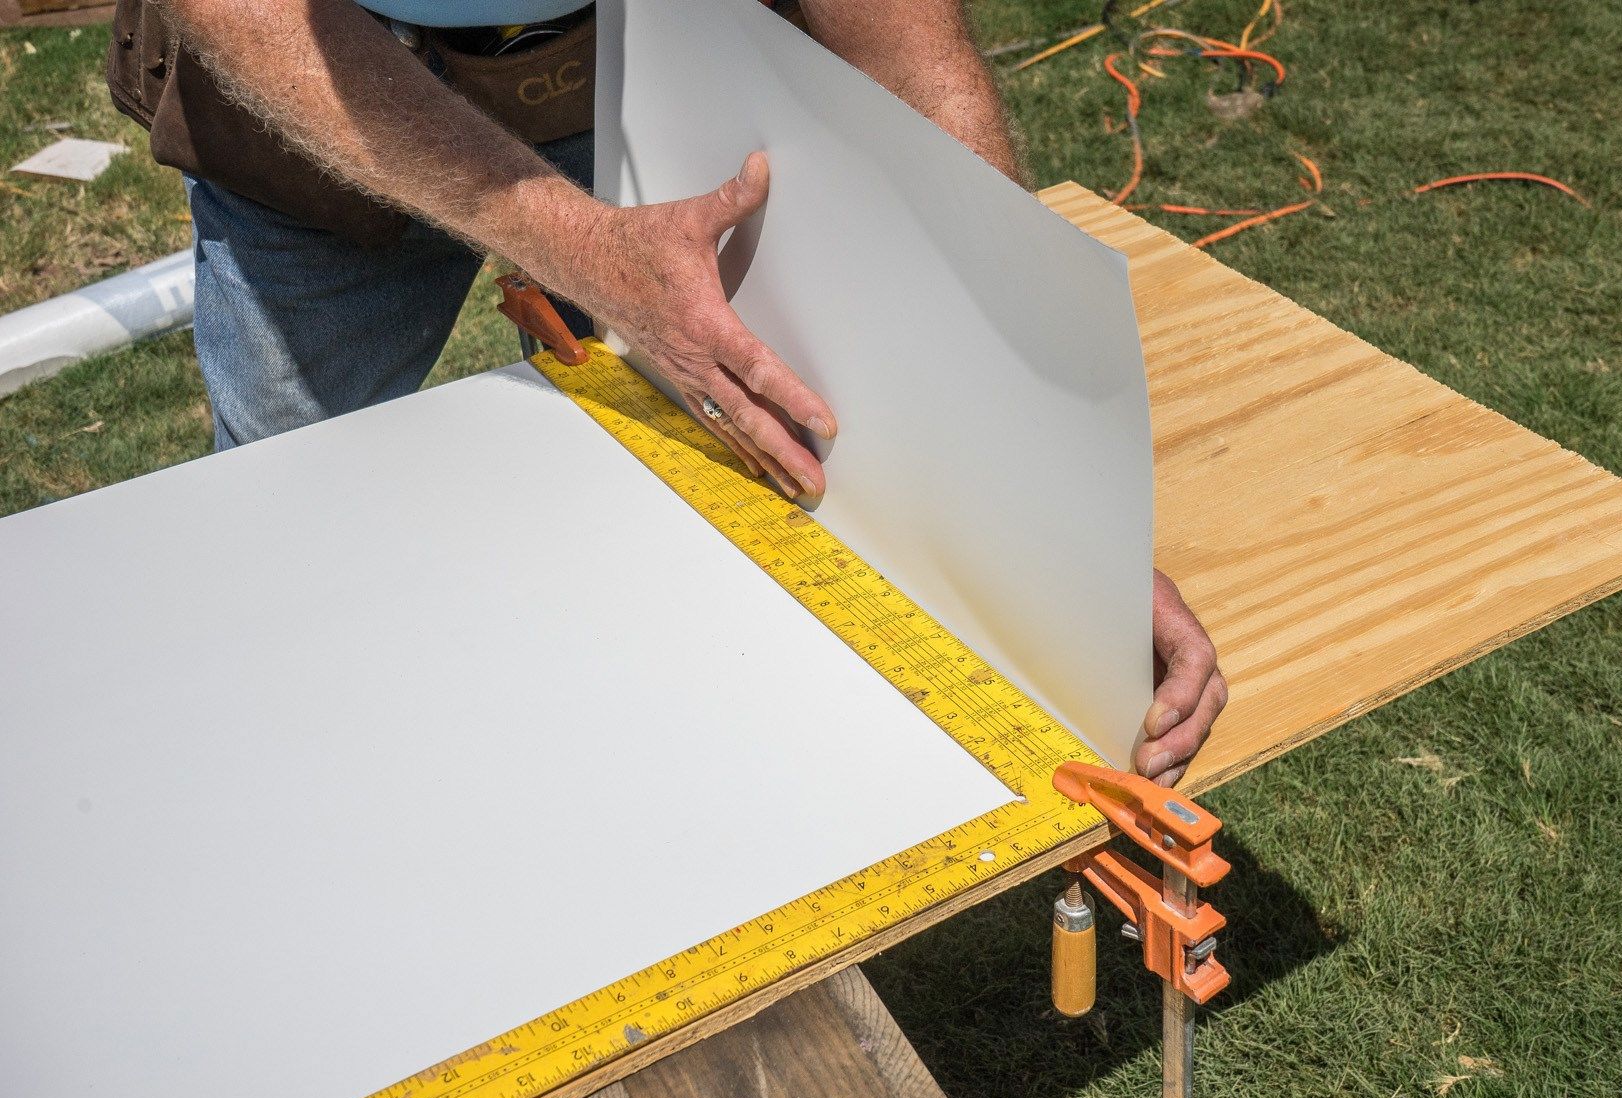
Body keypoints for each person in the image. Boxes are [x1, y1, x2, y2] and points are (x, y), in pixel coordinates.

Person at [110, 0, 1227, 785]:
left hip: (630, 38)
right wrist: (589, 254)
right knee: (286, 551)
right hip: (311, 91)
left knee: (716, 505)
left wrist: (1058, 534)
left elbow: (904, 45)